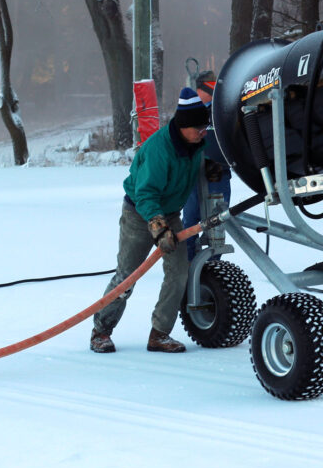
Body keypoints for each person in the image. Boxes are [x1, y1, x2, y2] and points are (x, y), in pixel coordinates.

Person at [90, 87, 209, 354]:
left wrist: (207, 166)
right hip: (139, 213)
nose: (203, 132)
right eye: (199, 128)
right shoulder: (159, 150)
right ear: (183, 126)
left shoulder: (196, 144)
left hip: (170, 213)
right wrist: (157, 227)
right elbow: (145, 194)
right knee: (127, 277)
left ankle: (159, 334)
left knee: (179, 273)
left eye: (205, 127)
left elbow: (197, 161)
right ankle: (101, 330)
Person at [182, 75, 233, 261]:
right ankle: (187, 264)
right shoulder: (189, 113)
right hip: (193, 175)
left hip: (217, 176)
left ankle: (214, 267)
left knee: (216, 221)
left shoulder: (223, 111)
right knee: (190, 220)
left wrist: (219, 162)